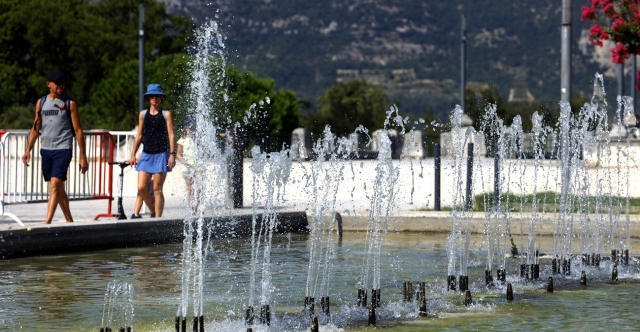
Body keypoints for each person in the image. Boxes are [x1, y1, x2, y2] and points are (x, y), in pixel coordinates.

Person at [22, 70, 89, 224]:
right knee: (58, 189)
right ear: (48, 84)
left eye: (63, 83)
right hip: (46, 149)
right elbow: (35, 127)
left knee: (54, 184)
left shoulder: (69, 103)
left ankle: (47, 223)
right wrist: (28, 150)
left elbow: (78, 130)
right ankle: (69, 221)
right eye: (57, 83)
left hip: (63, 148)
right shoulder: (41, 102)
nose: (61, 85)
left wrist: (83, 157)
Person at [129, 83, 176, 218]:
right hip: (146, 153)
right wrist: (133, 154)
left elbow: (171, 134)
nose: (154, 98)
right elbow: (139, 135)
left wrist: (172, 154)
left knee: (157, 188)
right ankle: (154, 209)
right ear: (148, 98)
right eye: (151, 96)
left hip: (161, 154)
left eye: (157, 96)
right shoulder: (143, 114)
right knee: (142, 188)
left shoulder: (166, 114)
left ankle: (157, 218)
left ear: (161, 98)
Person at [176, 117, 202, 214]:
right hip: (187, 166)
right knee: (190, 188)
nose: (191, 129)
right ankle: (190, 208)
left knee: (199, 187)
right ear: (185, 128)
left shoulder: (198, 139)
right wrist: (184, 161)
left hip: (198, 165)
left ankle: (198, 205)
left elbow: (204, 149)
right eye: (189, 127)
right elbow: (178, 154)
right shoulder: (182, 140)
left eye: (193, 127)